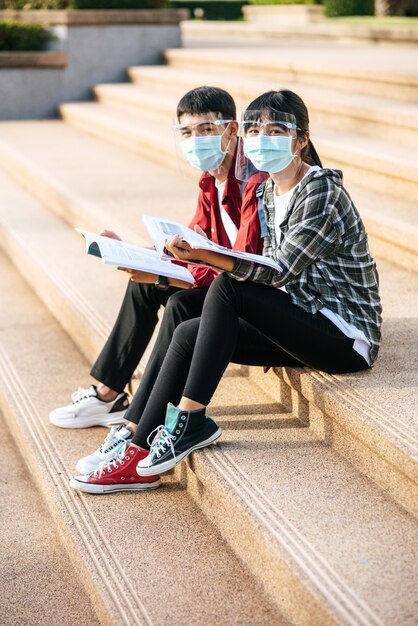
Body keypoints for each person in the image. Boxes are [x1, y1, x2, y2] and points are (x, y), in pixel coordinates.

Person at [70, 89, 382, 495]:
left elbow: (280, 270)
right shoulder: (271, 190)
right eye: (255, 129)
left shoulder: (321, 191)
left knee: (227, 287)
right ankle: (134, 447)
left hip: (344, 337)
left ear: (301, 139)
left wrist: (208, 258)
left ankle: (190, 421)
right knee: (186, 332)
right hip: (302, 319)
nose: (262, 137)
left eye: (275, 130)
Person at [50, 87, 266, 468]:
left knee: (180, 302)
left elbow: (243, 263)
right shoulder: (209, 180)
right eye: (187, 133)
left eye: (206, 130)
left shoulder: (253, 179)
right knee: (145, 283)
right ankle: (109, 395)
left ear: (232, 130)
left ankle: (139, 428)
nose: (196, 141)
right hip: (224, 284)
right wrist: (140, 254)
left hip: (247, 296)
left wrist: (172, 273)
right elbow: (194, 244)